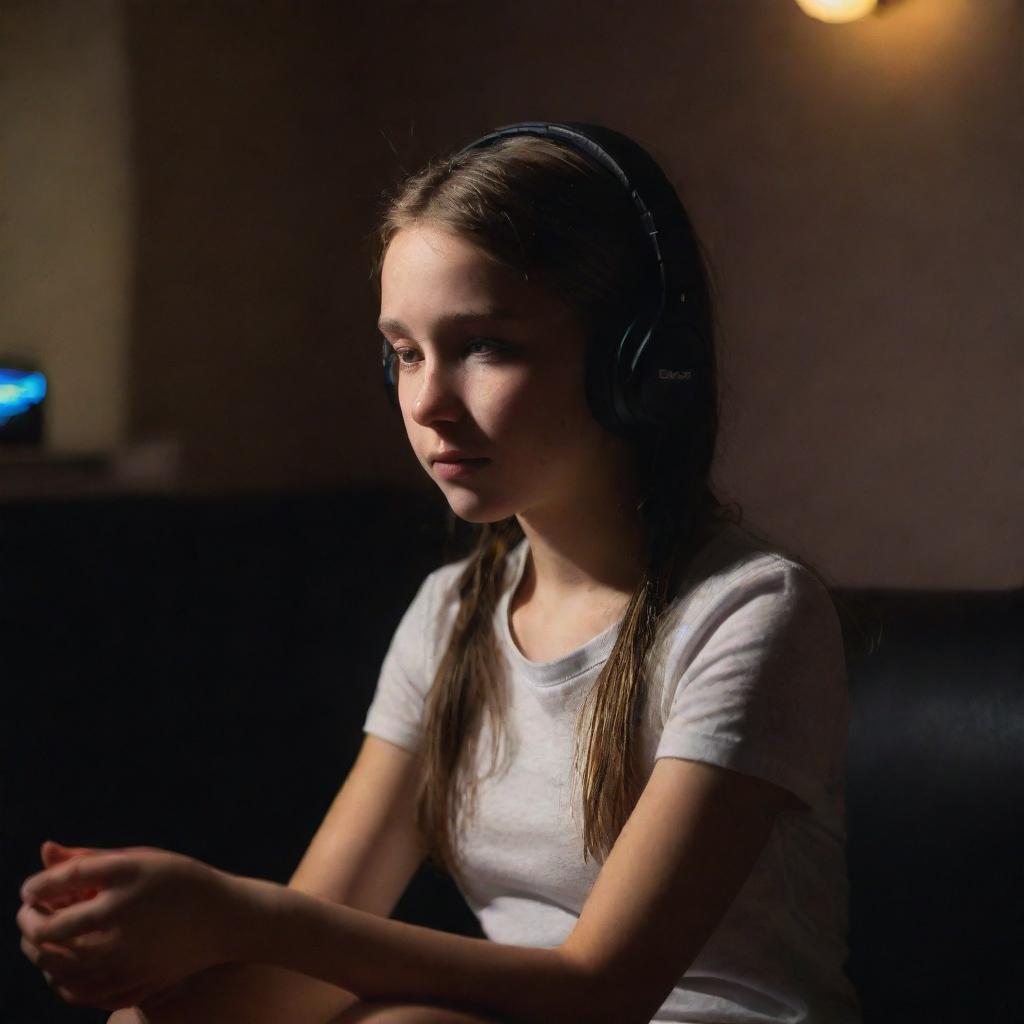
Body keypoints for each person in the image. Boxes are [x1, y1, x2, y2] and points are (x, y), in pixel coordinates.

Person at [17, 123, 861, 1024]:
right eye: (406, 353)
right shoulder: (450, 613)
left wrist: (238, 915)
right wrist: (159, 990)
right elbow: (316, 942)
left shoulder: (751, 612)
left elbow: (601, 990)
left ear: (636, 365)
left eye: (484, 347)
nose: (424, 403)